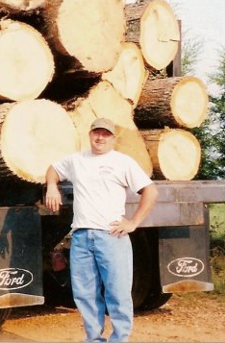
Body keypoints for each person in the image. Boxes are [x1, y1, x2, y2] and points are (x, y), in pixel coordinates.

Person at [45, 117, 158, 342]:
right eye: (96, 133)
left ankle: (119, 339)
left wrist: (133, 222)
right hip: (81, 237)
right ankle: (94, 339)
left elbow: (151, 191)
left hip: (111, 237)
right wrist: (51, 187)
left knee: (118, 294)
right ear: (89, 134)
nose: (100, 138)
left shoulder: (122, 162)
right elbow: (53, 169)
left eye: (106, 134)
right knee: (85, 295)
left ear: (113, 138)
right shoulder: (76, 160)